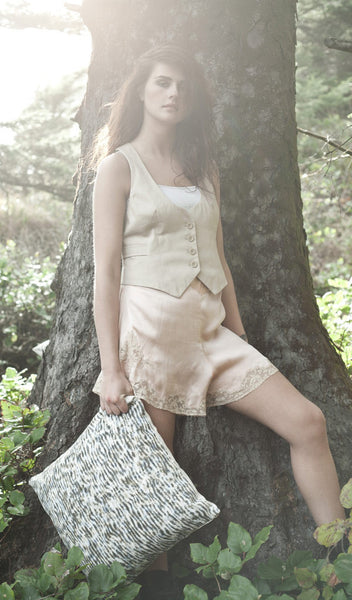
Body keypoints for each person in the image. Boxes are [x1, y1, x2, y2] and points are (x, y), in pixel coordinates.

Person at [90, 44, 345, 600]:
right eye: (161, 83)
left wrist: (241, 334)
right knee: (155, 472)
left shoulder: (202, 166)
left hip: (212, 330)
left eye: (182, 85)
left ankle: (338, 558)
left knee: (308, 422)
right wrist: (111, 369)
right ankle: (153, 590)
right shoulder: (117, 167)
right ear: (139, 91)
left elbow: (220, 254)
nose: (173, 93)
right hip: (150, 329)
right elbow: (104, 274)